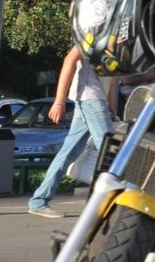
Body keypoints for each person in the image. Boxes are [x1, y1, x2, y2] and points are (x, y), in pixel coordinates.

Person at [26, 44, 116, 218]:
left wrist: (110, 105)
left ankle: (38, 201)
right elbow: (69, 59)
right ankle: (107, 203)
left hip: (95, 100)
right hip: (91, 99)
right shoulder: (96, 30)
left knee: (69, 152)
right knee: (109, 150)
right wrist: (59, 101)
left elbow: (113, 77)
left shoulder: (120, 39)